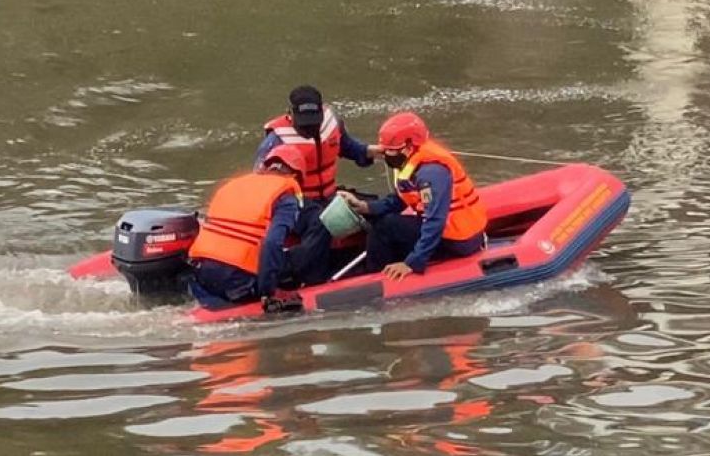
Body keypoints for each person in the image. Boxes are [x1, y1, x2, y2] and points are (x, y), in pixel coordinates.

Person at [341, 112, 487, 280]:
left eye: (390, 150)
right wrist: (366, 207)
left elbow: (435, 221)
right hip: (449, 232)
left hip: (458, 240)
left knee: (385, 227)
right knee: (382, 219)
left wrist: (412, 263)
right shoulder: (411, 162)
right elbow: (401, 199)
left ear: (408, 147)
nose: (385, 154)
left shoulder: (431, 173)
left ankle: (374, 276)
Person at [188, 145, 328, 310]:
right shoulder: (286, 196)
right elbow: (272, 243)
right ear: (296, 176)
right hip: (238, 279)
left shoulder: (233, 185)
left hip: (201, 272)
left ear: (265, 166)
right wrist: (269, 292)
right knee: (292, 259)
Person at [253, 84, 379, 204]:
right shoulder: (276, 140)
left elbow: (346, 146)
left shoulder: (331, 123)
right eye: (305, 124)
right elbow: (261, 185)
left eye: (315, 122)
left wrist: (370, 151)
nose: (311, 128)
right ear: (290, 113)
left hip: (330, 196)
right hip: (299, 204)